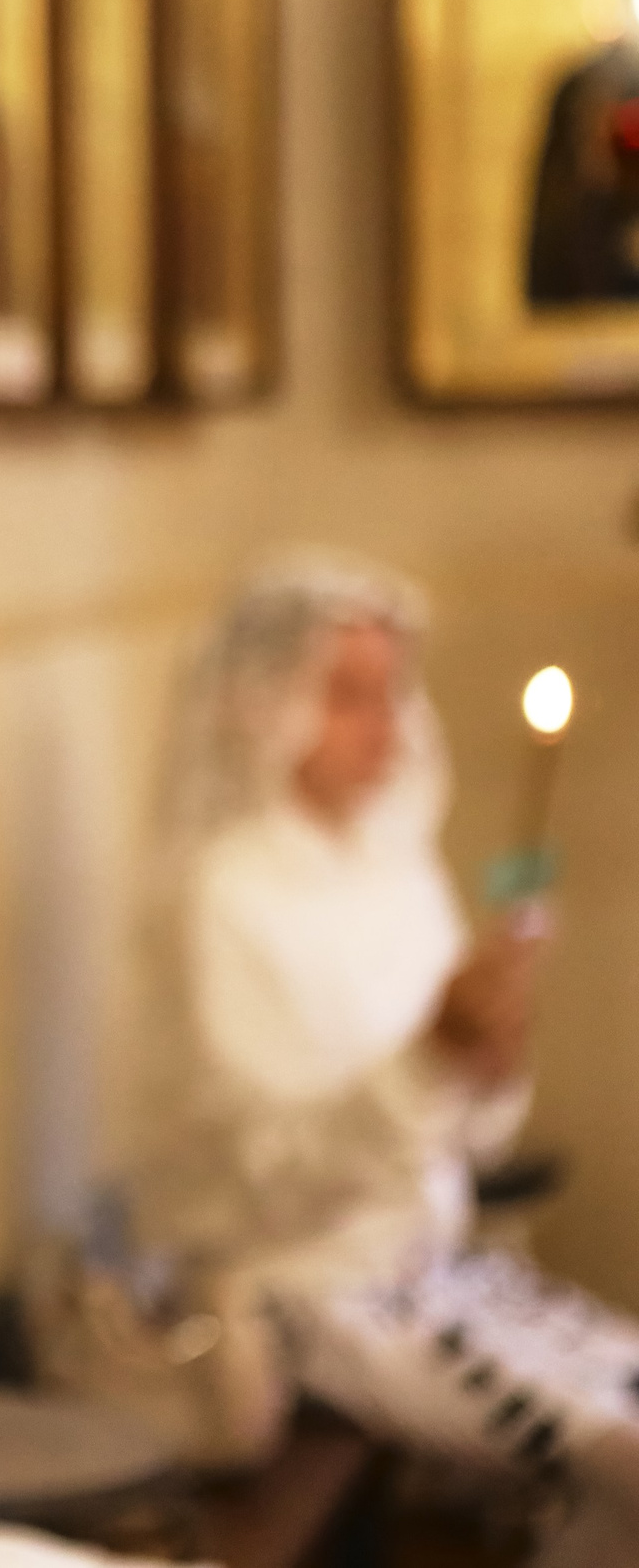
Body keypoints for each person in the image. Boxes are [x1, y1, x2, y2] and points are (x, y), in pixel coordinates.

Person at [139, 555, 639, 1558]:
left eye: (392, 692)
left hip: (437, 1262)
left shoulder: (391, 863)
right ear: (262, 701)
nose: (386, 725)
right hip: (312, 1297)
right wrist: (431, 1057)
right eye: (349, 696)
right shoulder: (224, 894)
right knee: (617, 1454)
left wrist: (487, 1060)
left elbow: (463, 1126)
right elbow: (268, 1169)